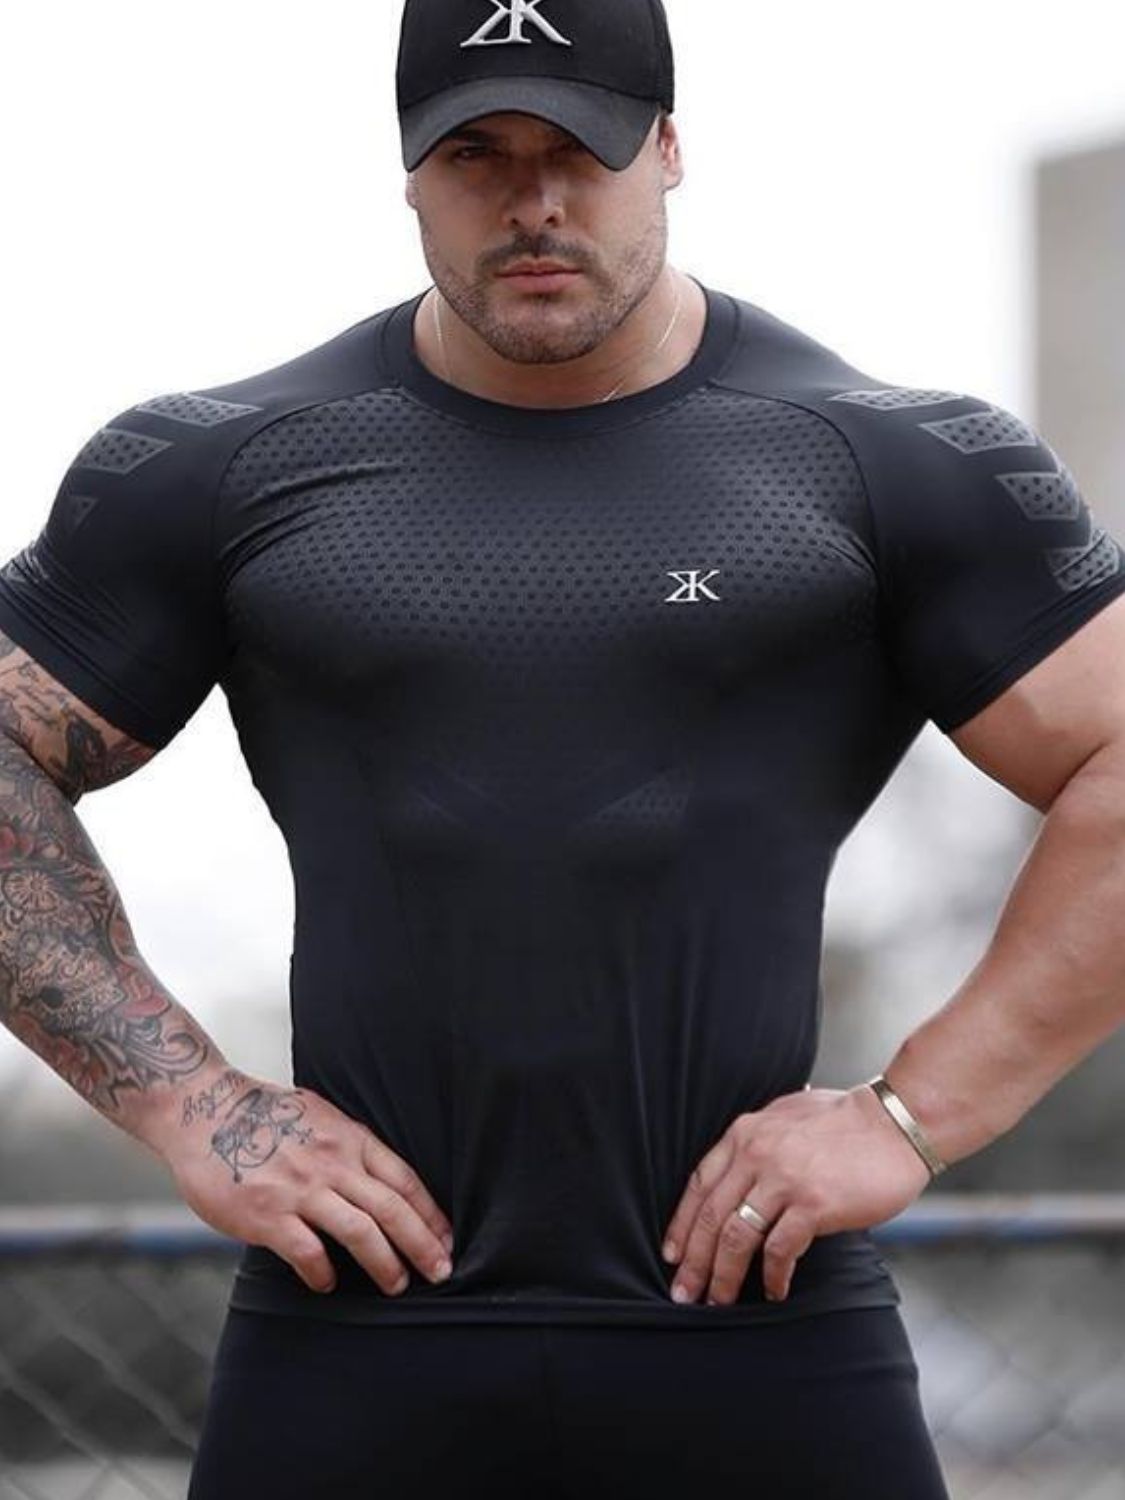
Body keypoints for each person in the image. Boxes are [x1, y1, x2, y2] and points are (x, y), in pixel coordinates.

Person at [1, 0, 1124, 1493]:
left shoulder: (885, 461)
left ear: (669, 150)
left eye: (579, 151)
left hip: (759, 1330)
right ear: (409, 173)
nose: (532, 202)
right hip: (351, 1334)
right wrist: (189, 1106)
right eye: (477, 155)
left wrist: (918, 1114)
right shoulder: (223, 462)